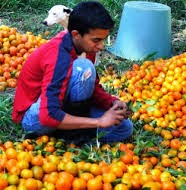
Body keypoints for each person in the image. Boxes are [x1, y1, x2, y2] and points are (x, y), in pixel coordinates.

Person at [12, 1, 133, 145]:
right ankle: (73, 131)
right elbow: (47, 115)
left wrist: (112, 102)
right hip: (34, 118)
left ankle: (67, 129)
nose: (101, 46)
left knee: (124, 128)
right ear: (76, 34)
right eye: (97, 40)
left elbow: (92, 87)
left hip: (61, 106)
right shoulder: (58, 56)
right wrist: (99, 121)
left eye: (103, 40)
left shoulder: (87, 48)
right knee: (83, 68)